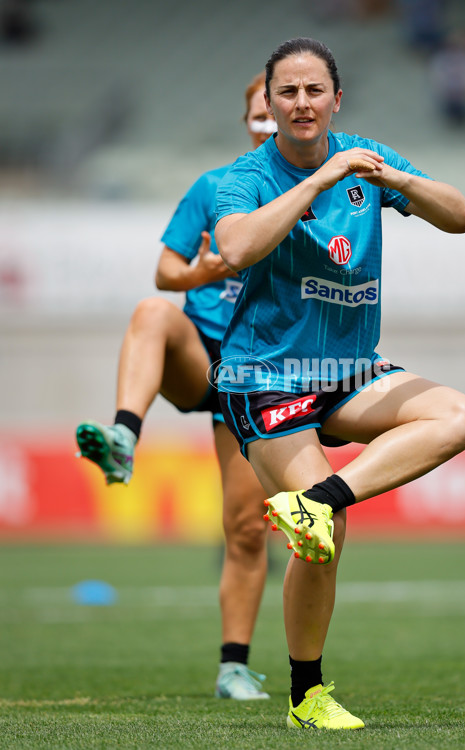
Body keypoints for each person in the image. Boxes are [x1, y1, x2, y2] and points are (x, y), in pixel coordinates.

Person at [215, 37, 465, 729]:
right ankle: (308, 698)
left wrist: (399, 182)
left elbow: (463, 216)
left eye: (314, 90)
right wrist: (316, 180)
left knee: (461, 416)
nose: (301, 102)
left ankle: (320, 499)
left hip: (348, 373)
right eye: (288, 92)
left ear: (337, 99)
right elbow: (238, 247)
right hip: (266, 375)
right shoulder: (245, 176)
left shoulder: (370, 158)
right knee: (325, 536)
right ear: (269, 105)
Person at [75, 73, 278, 701]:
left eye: (283, 110)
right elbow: (166, 270)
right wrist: (202, 268)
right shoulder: (215, 188)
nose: (272, 122)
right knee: (152, 312)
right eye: (261, 114)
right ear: (248, 121)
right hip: (204, 353)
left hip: (266, 367)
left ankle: (233, 668)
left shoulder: (320, 192)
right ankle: (124, 438)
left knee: (246, 528)